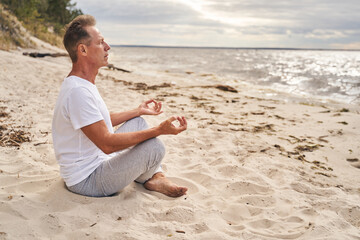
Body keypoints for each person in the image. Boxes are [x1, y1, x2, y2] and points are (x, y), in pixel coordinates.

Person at [52, 15, 188, 198]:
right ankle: (153, 176)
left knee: (138, 122)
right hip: (88, 180)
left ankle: (155, 177)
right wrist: (158, 130)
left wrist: (137, 111)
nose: (107, 47)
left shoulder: (81, 84)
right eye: (101, 43)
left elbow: (98, 121)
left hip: (99, 161)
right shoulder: (78, 92)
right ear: (83, 50)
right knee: (155, 147)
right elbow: (106, 144)